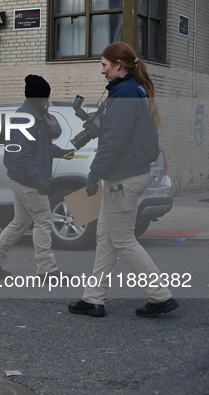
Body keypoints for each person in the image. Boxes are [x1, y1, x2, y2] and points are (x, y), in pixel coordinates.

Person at [68, 42, 179, 318]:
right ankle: (93, 299)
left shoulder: (126, 93)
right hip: (125, 175)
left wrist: (94, 174)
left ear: (119, 64)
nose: (102, 71)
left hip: (123, 179)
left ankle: (160, 296)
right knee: (106, 238)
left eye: (104, 65)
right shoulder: (131, 90)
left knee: (123, 240)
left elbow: (114, 142)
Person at [0, 74, 74, 282]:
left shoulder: (34, 117)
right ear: (40, 100)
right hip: (27, 181)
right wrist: (39, 179)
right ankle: (47, 271)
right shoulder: (25, 118)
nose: (47, 103)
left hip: (22, 178)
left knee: (20, 221)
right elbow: (23, 155)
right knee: (44, 220)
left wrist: (61, 152)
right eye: (46, 99)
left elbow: (41, 146)